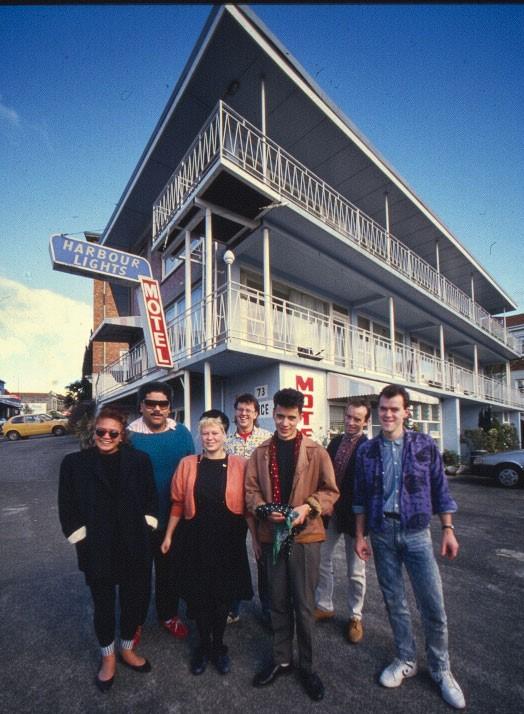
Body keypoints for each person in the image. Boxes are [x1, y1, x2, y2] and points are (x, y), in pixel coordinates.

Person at [353, 384, 466, 710]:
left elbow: (441, 491)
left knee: (433, 604)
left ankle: (442, 669)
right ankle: (405, 658)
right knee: (395, 602)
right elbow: (360, 499)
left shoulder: (424, 445)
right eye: (383, 409)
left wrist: (448, 529)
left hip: (416, 533)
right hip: (381, 533)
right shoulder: (367, 451)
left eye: (394, 409)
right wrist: (361, 537)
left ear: (406, 412)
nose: (388, 414)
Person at [246, 388, 339, 702]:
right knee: (277, 601)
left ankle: (307, 667)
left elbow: (330, 491)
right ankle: (281, 659)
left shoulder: (316, 451)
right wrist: (262, 509)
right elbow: (250, 491)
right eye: (280, 416)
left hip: (305, 538)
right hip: (272, 537)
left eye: (291, 418)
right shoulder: (260, 453)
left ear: (301, 417)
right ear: (273, 414)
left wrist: (308, 507)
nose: (285, 423)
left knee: (303, 603)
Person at [58, 407, 158, 692]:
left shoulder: (140, 460)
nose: (106, 437)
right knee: (103, 605)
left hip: (133, 544)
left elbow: (151, 498)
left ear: (122, 435)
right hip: (96, 548)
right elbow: (67, 507)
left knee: (133, 602)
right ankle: (108, 657)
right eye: (101, 431)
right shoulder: (74, 463)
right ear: (94, 431)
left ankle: (127, 649)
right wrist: (81, 538)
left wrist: (147, 525)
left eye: (113, 433)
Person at [161, 412, 257, 676]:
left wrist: (257, 540)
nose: (210, 438)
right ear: (200, 437)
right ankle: (203, 646)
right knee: (201, 598)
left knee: (222, 597)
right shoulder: (188, 463)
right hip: (195, 540)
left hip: (229, 542)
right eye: (206, 433)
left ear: (225, 436)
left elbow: (249, 508)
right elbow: (178, 503)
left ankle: (218, 646)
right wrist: (169, 535)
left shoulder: (240, 464)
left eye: (215, 433)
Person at [127, 381, 194, 643]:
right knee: (136, 576)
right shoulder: (128, 435)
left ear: (169, 407)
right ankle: (134, 622)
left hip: (173, 520)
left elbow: (191, 473)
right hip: (138, 522)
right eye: (150, 403)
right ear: (141, 405)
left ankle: (168, 615)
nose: (157, 409)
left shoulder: (182, 434)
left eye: (162, 404)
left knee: (170, 573)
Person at [314, 397, 370, 644]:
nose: (351, 422)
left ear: (366, 422)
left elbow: (368, 487)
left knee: (355, 570)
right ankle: (324, 605)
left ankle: (355, 616)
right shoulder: (335, 442)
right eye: (348, 417)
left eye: (357, 419)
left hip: (356, 517)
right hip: (331, 513)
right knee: (322, 560)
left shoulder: (369, 448)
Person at [225, 393, 272, 625]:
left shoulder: (267, 439)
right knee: (232, 556)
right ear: (235, 412)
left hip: (259, 506)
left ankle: (268, 609)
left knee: (263, 556)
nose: (244, 414)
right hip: (233, 506)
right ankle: (232, 607)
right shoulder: (226, 441)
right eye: (240, 409)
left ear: (256, 413)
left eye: (248, 410)